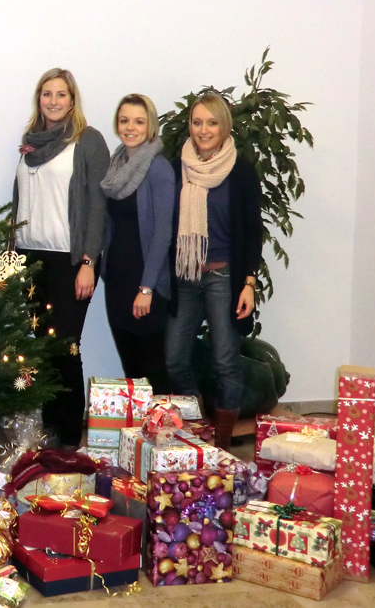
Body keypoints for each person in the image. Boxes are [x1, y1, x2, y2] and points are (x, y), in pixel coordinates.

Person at [13, 68, 110, 447]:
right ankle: (50, 430)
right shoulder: (30, 143)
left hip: (69, 261)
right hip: (29, 258)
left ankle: (69, 438)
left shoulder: (88, 140)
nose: (53, 101)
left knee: (66, 348)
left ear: (72, 101)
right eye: (47, 94)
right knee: (41, 348)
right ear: (39, 99)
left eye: (61, 94)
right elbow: (21, 201)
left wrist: (89, 262)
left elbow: (98, 207)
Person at [164, 92, 262, 450]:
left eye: (211, 122)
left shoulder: (241, 171)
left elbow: (252, 231)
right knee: (174, 359)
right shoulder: (177, 167)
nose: (203, 130)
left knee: (225, 362)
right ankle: (197, 428)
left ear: (224, 126)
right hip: (185, 275)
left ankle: (219, 446)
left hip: (224, 277)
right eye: (197, 122)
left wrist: (249, 283)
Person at [100, 94, 175, 393]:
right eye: (124, 121)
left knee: (153, 367)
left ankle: (165, 423)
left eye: (139, 122)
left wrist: (146, 288)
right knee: (131, 368)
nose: (130, 128)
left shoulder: (158, 168)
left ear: (151, 126)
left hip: (146, 285)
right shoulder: (116, 165)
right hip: (117, 282)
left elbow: (163, 233)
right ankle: (140, 424)